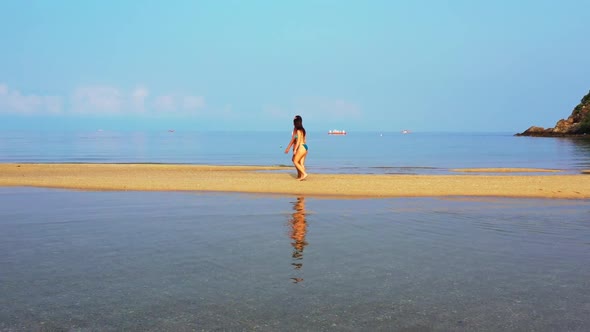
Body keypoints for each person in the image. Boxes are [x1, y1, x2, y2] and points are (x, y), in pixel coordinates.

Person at [284, 115, 307, 179]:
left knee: (295, 161)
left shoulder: (297, 130)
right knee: (301, 163)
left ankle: (303, 174)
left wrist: (294, 149)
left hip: (300, 146)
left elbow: (295, 140)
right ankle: (301, 176)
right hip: (305, 147)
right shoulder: (303, 130)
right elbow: (305, 140)